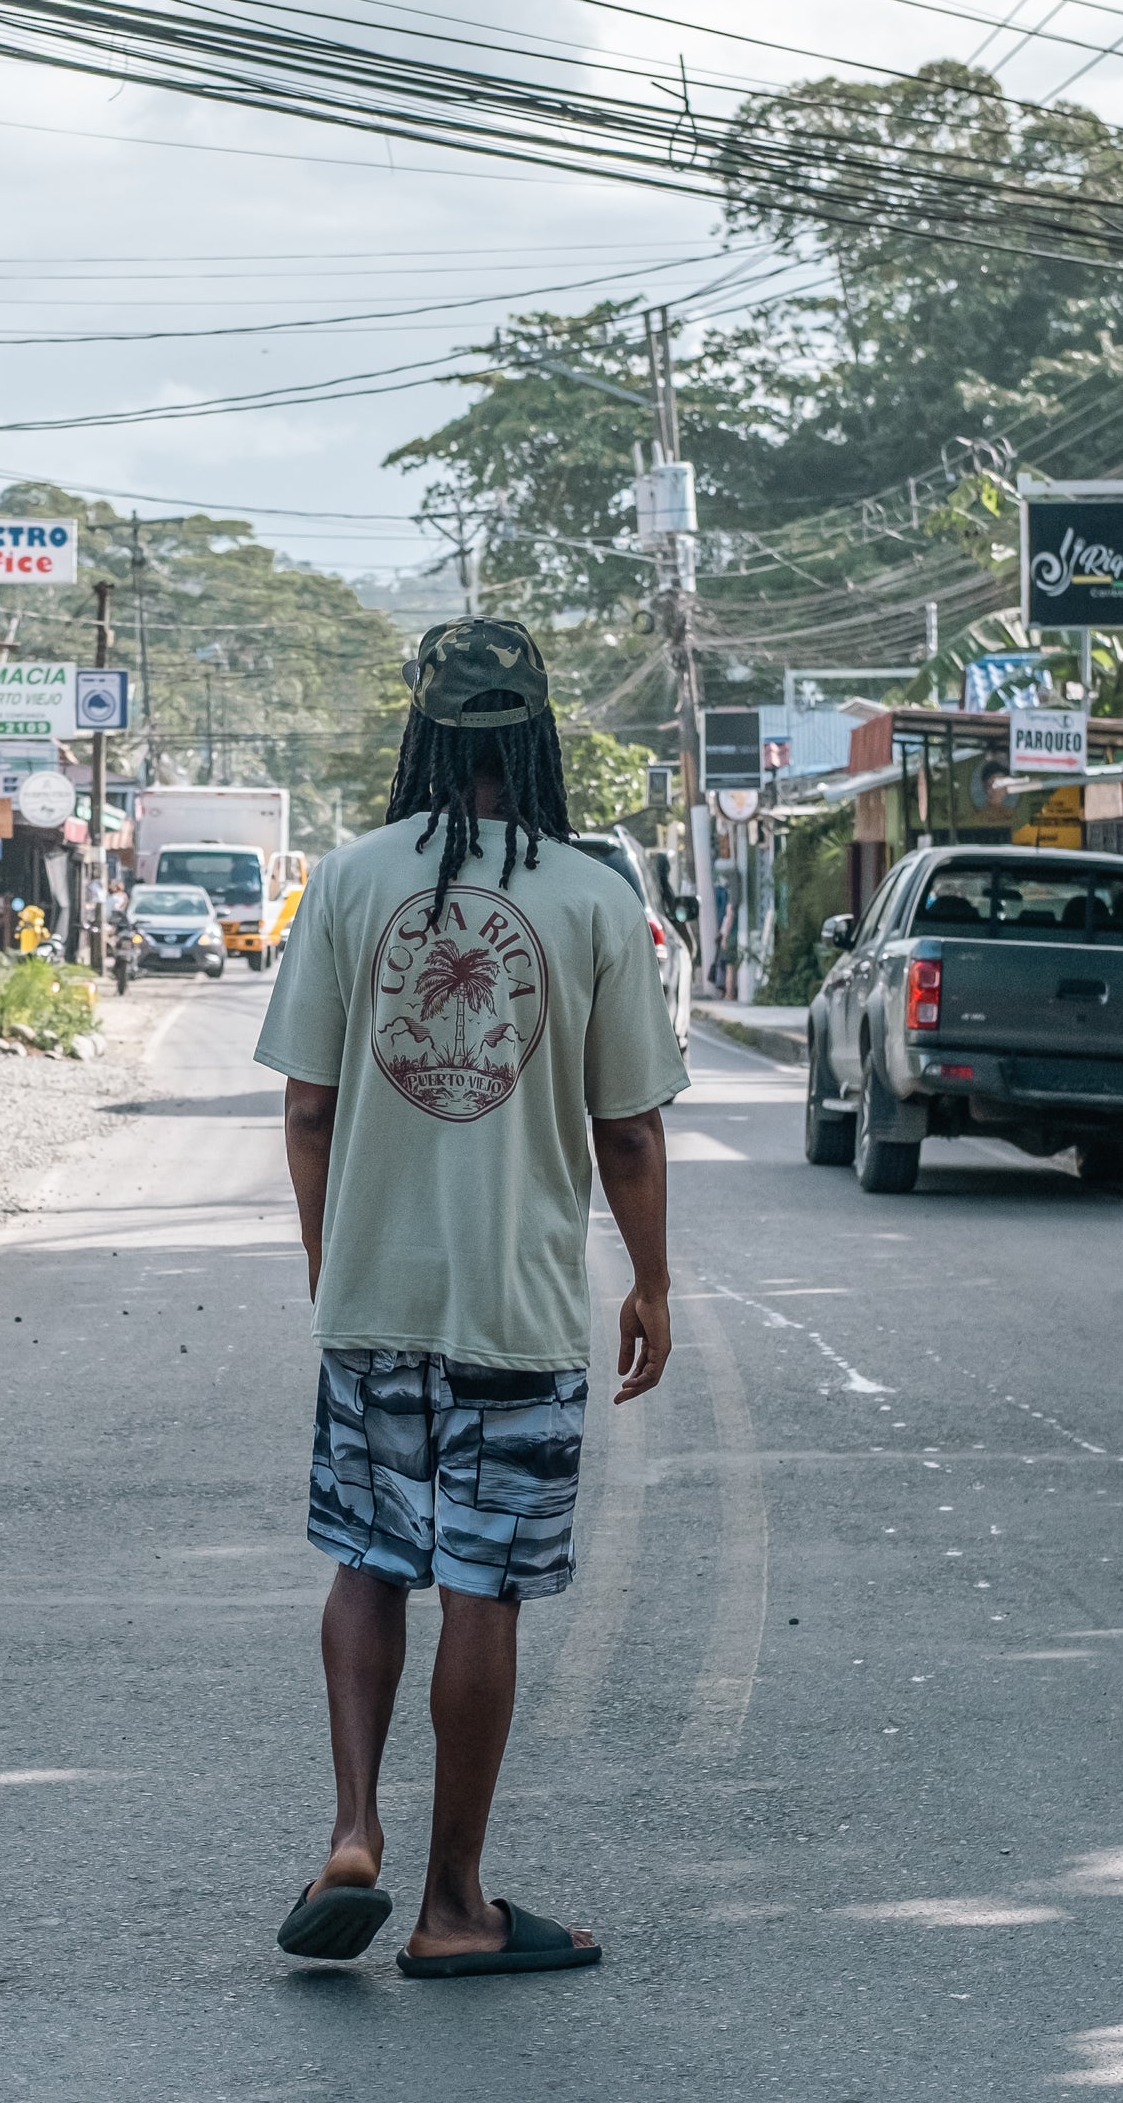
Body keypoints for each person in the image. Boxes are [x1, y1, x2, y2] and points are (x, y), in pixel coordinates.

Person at [251, 617, 686, 1980]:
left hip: (376, 1298)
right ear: (541, 736)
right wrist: (653, 1283)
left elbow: (310, 1107)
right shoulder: (595, 899)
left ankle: (352, 1828)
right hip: (519, 1308)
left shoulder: (348, 878)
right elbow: (628, 1133)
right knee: (480, 1592)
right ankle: (452, 1906)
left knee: (367, 1560)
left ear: (424, 731)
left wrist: (337, 1269)